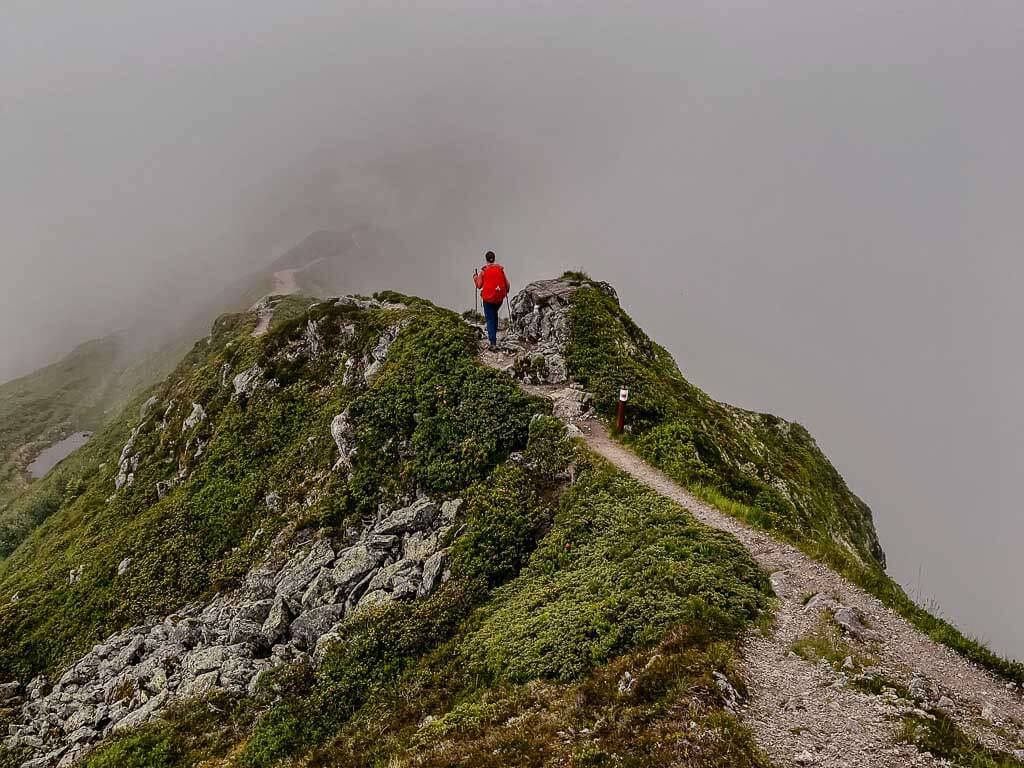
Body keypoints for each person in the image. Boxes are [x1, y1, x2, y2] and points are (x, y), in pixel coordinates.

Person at [473, 251, 510, 351]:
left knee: (490, 319)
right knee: (494, 314)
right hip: (499, 298)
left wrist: (475, 278)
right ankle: (494, 332)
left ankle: (493, 343)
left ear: (486, 259)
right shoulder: (500, 269)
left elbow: (479, 285)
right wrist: (506, 292)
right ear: (494, 258)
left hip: (488, 299)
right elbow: (507, 284)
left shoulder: (484, 271)